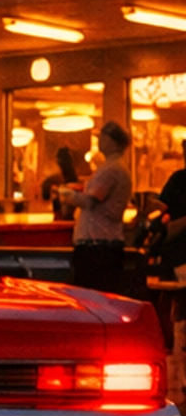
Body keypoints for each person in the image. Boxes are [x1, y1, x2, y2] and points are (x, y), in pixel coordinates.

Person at [70, 121, 133, 294]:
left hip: (96, 244)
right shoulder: (119, 167)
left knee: (92, 296)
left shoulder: (110, 170)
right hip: (106, 243)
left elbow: (91, 201)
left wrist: (68, 196)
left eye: (102, 138)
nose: (99, 142)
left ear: (111, 141)